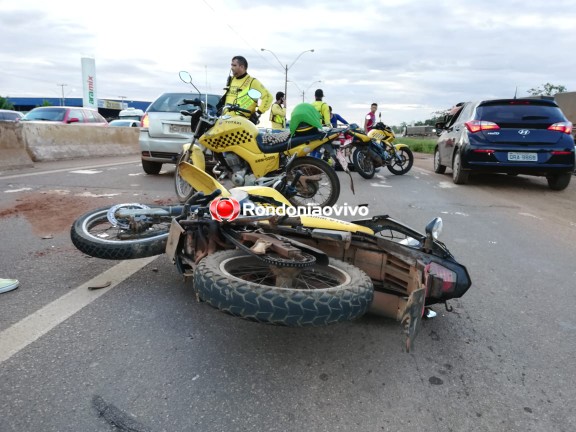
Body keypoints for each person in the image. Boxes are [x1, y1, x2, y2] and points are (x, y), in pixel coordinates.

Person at [221, 55, 272, 121]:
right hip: (227, 120)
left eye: (234, 65)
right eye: (231, 65)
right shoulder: (232, 80)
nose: (232, 68)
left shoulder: (252, 81)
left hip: (243, 122)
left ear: (242, 67)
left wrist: (258, 113)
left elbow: (268, 97)